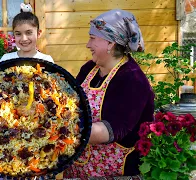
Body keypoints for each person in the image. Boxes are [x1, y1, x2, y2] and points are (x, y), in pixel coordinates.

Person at [63, 9, 155, 178]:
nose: (87, 45)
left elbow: (108, 131)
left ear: (110, 43)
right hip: (78, 169)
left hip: (114, 173)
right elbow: (68, 103)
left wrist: (58, 129)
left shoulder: (132, 79)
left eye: (92, 38)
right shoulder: (89, 69)